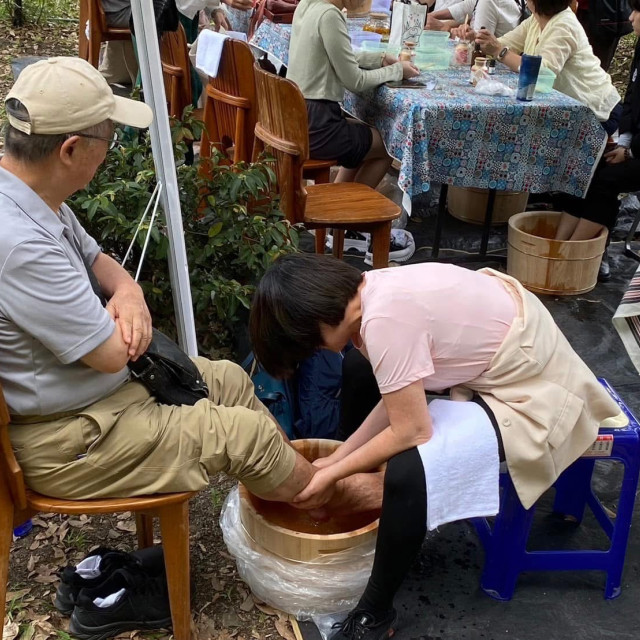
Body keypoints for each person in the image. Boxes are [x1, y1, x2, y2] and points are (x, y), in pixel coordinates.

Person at [0, 56, 383, 566]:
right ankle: (327, 518)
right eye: (107, 140)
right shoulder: (20, 244)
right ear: (70, 150)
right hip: (71, 438)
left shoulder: (35, 195)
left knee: (227, 377)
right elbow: (115, 353)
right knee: (243, 435)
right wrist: (122, 316)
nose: (108, 153)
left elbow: (98, 261)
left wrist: (128, 295)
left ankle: (289, 499)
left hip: (97, 399)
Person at [250, 254, 623, 640]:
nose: (317, 353)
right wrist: (340, 459)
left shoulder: (385, 321)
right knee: (359, 371)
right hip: (496, 338)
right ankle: (379, 506)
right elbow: (394, 398)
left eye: (310, 346)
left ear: (316, 320)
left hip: (530, 380)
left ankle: (374, 615)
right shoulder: (367, 292)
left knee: (410, 472)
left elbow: (412, 430)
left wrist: (333, 473)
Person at [551, 2, 640, 279]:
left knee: (605, 181)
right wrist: (624, 141)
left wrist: (631, 152)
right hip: (634, 142)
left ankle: (577, 255)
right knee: (586, 166)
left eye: (638, 11)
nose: (631, 17)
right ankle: (557, 248)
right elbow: (632, 101)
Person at [475, 0, 621, 134]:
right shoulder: (536, 19)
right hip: (567, 110)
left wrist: (499, 50)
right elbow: (504, 43)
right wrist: (476, 40)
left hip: (595, 113)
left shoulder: (564, 25)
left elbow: (541, 73)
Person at [427, 0, 526, 38]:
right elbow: (464, 7)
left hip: (492, 67)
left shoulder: (489, 2)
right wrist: (428, 16)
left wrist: (444, 28)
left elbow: (478, 45)